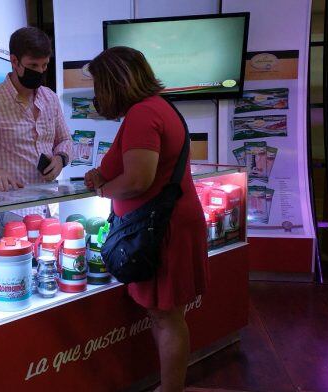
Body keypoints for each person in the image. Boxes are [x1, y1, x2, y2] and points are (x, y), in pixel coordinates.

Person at [84, 47, 208, 392]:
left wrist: (103, 191)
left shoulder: (142, 114)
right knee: (167, 315)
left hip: (160, 230)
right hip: (166, 225)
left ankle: (170, 390)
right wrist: (103, 176)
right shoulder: (159, 107)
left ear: (113, 83)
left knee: (166, 316)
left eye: (98, 87)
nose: (96, 96)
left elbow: (139, 179)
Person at [0, 27, 72, 236]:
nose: (39, 71)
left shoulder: (50, 98)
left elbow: (65, 140)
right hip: (12, 209)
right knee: (19, 267)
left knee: (48, 266)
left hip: (50, 203)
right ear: (14, 61)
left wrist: (61, 158)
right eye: (32, 65)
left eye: (45, 65)